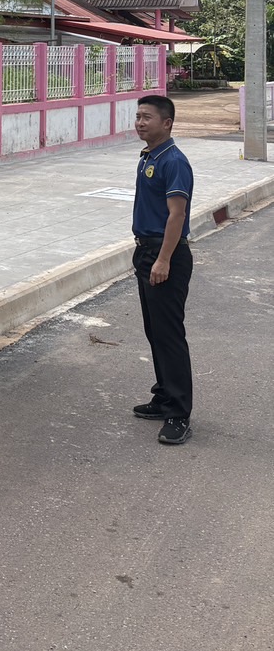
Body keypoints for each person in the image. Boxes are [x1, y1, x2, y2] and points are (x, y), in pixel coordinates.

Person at [131, 94, 194, 445]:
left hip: (165, 254)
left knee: (169, 335)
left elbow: (177, 215)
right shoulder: (149, 156)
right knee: (155, 331)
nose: (140, 123)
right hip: (147, 252)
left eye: (147, 117)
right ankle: (164, 395)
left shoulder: (173, 161)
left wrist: (164, 259)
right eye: (138, 116)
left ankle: (178, 413)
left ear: (167, 123)